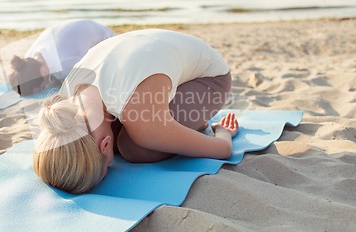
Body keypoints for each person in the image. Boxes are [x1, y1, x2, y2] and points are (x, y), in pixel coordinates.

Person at [33, 29, 238, 194]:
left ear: (105, 145)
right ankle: (171, 128)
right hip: (147, 58)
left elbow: (222, 149)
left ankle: (174, 128)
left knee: (133, 148)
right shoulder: (66, 99)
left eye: (106, 172)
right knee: (133, 133)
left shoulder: (143, 119)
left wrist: (223, 132)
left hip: (208, 78)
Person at [8, 19, 114, 96]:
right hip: (81, 27)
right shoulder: (28, 58)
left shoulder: (64, 64)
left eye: (40, 87)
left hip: (107, 38)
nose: (43, 88)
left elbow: (91, 78)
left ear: (43, 72)